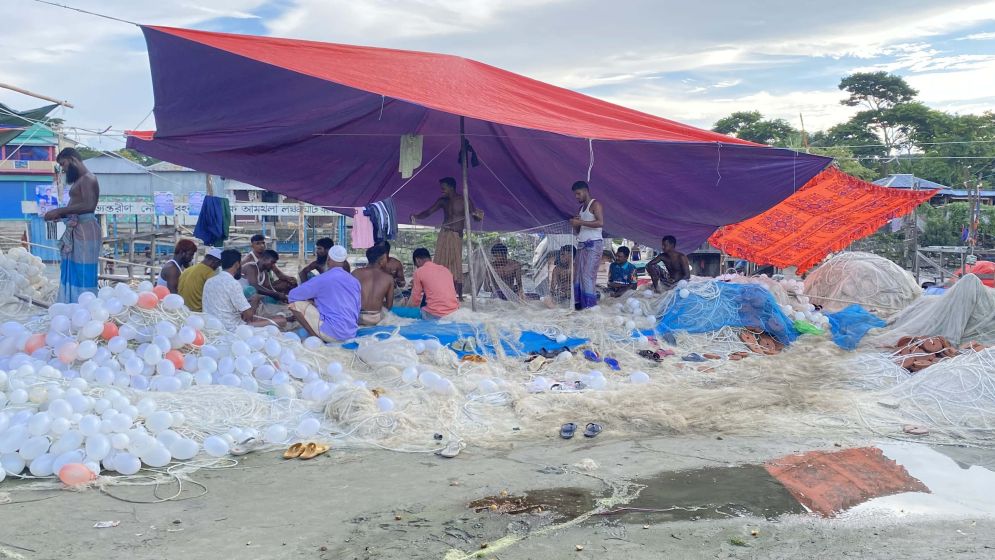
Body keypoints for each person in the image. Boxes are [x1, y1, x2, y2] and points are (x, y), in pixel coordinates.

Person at [410, 177, 483, 300]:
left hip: (456, 236)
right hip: (444, 234)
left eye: (444, 188)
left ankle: (459, 296)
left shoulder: (464, 200)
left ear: (451, 187)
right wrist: (416, 216)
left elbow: (475, 217)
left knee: (456, 265)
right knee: (440, 263)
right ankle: (436, 292)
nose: (442, 190)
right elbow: (428, 212)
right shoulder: (443, 201)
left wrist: (478, 216)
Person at [45, 148, 100, 304]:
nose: (63, 169)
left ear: (73, 160)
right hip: (76, 227)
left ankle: (85, 306)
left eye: (63, 164)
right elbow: (77, 206)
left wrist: (59, 211)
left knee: (83, 271)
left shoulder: (89, 178)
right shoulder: (79, 180)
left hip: (85, 228)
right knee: (72, 269)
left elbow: (89, 205)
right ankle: (71, 305)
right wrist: (59, 215)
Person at [288, 245, 361, 342]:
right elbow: (357, 308)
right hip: (351, 333)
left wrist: (310, 301)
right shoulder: (355, 281)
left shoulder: (323, 278)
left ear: (328, 259)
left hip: (333, 333)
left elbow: (293, 295)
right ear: (344, 261)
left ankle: (316, 338)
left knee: (295, 304)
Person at [203, 249, 286, 330]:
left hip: (211, 324)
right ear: (237, 264)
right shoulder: (233, 283)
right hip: (233, 327)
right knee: (281, 321)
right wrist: (255, 301)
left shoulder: (209, 281)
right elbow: (249, 316)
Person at [569, 181, 604, 310]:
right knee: (578, 275)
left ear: (585, 191)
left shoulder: (595, 204)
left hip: (593, 244)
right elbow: (580, 230)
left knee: (587, 275)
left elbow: (600, 223)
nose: (576, 197)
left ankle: (590, 307)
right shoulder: (580, 209)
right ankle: (579, 305)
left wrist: (580, 222)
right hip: (581, 244)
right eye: (575, 194)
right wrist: (576, 224)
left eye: (578, 194)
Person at [406, 247, 459, 320]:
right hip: (454, 312)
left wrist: (406, 309)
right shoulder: (445, 270)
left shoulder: (419, 272)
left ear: (417, 260)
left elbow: (415, 300)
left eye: (416, 266)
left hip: (436, 314)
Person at [352, 245, 395, 326]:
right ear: (381, 261)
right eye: (386, 258)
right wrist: (377, 302)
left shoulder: (356, 273)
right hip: (376, 318)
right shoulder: (389, 278)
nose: (388, 260)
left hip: (356, 317)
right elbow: (389, 306)